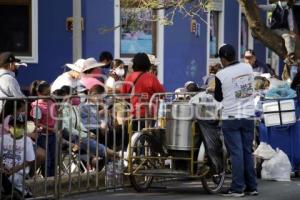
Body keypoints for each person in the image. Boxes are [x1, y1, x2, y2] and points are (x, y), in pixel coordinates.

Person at [214, 44, 257, 197]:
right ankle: (252, 187)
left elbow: (218, 97)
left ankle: (237, 188)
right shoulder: (248, 68)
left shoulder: (220, 75)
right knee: (247, 151)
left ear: (223, 59)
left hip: (231, 117)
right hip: (248, 116)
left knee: (236, 153)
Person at [121, 53, 165, 131]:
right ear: (147, 64)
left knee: (134, 138)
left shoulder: (129, 78)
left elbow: (123, 96)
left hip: (133, 115)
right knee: (146, 138)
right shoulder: (151, 77)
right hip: (149, 116)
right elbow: (162, 94)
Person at [0, 113, 35, 197]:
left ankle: (24, 193)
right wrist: (2, 166)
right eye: (15, 125)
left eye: (20, 126)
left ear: (24, 127)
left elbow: (29, 161)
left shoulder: (27, 141)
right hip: (4, 169)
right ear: (9, 126)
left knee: (14, 179)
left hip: (19, 171)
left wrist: (16, 168)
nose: (17, 128)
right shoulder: (2, 139)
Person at [30, 81, 57, 177]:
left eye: (49, 93)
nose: (48, 96)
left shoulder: (52, 101)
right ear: (39, 94)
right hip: (43, 136)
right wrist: (50, 129)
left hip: (52, 135)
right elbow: (37, 123)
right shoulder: (36, 106)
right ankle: (47, 182)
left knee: (54, 159)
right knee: (47, 160)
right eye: (46, 94)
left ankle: (52, 180)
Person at [259, 0, 296, 64]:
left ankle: (289, 57)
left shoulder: (288, 9)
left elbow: (290, 20)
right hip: (275, 28)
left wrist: (291, 30)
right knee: (286, 36)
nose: (286, 2)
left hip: (284, 29)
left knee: (292, 38)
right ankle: (290, 53)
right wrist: (258, 6)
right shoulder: (275, 6)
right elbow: (266, 7)